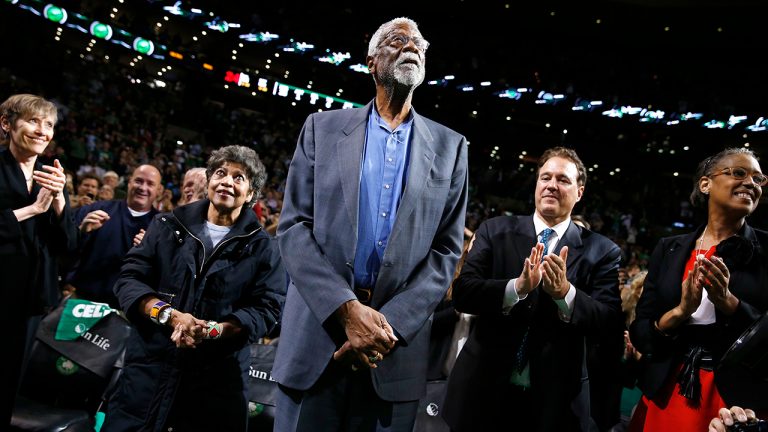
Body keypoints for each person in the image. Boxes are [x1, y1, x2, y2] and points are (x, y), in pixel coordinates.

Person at [273, 17, 468, 432]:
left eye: (419, 43)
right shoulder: (321, 129)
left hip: (391, 355)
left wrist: (385, 326)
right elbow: (292, 229)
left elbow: (446, 253)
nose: (411, 47)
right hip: (317, 342)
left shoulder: (452, 148)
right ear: (371, 62)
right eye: (398, 41)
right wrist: (346, 311)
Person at [103, 145, 286, 431]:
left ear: (251, 194)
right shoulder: (166, 225)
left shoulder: (264, 247)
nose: (227, 181)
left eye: (239, 178)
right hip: (149, 368)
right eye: (221, 173)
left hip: (216, 379)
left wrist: (212, 330)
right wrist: (169, 315)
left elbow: (268, 308)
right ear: (210, 181)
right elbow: (129, 279)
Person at [443, 147, 623, 431]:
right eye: (545, 177)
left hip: (554, 404)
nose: (551, 185)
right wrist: (516, 288)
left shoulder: (602, 251)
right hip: (481, 393)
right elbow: (464, 293)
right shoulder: (494, 230)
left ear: (580, 192)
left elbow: (610, 322)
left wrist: (565, 293)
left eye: (563, 179)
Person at [629, 148, 768, 431]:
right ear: (705, 184)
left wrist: (730, 303)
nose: (751, 183)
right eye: (739, 173)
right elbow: (641, 332)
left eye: (758, 178)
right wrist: (680, 312)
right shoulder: (668, 249)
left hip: (735, 401)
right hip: (667, 390)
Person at [0, 94, 77, 425]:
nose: (42, 131)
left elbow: (68, 243)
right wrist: (32, 210)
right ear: (7, 124)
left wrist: (59, 200)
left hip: (31, 297)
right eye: (33, 121)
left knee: (9, 378)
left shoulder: (52, 177)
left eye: (48, 125)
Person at [61, 164, 162, 307]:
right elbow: (64, 248)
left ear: (158, 190)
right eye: (138, 181)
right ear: (129, 183)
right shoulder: (96, 209)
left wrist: (153, 252)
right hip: (83, 301)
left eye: (150, 184)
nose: (143, 187)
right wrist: (81, 231)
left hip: (129, 310)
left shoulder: (164, 228)